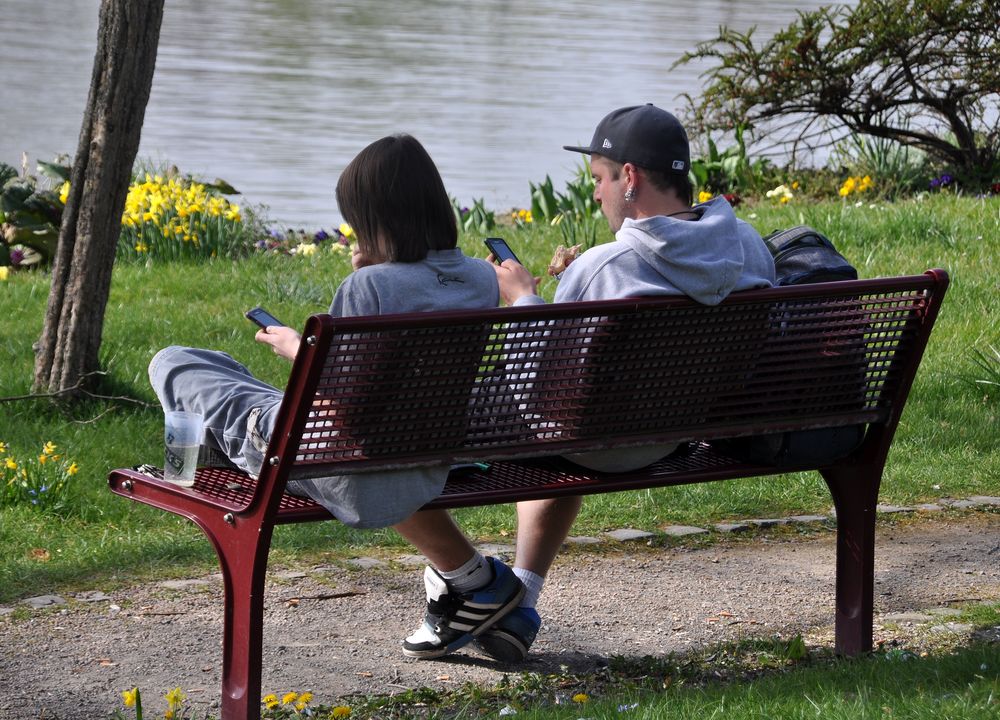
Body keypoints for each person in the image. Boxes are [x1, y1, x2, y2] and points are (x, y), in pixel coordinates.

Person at [148, 134, 524, 660]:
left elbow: (338, 409)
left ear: (378, 221)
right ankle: (223, 443)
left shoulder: (370, 289)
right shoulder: (481, 278)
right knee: (228, 378)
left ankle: (200, 460)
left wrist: (298, 352)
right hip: (422, 455)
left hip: (340, 467)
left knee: (175, 363)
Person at [479, 104, 776, 662]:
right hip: (679, 432)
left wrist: (522, 298)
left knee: (479, 409)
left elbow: (542, 384)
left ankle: (467, 584)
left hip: (597, 440)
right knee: (566, 425)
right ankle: (520, 600)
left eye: (599, 179)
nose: (596, 194)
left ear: (630, 177)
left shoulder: (604, 268)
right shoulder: (748, 247)